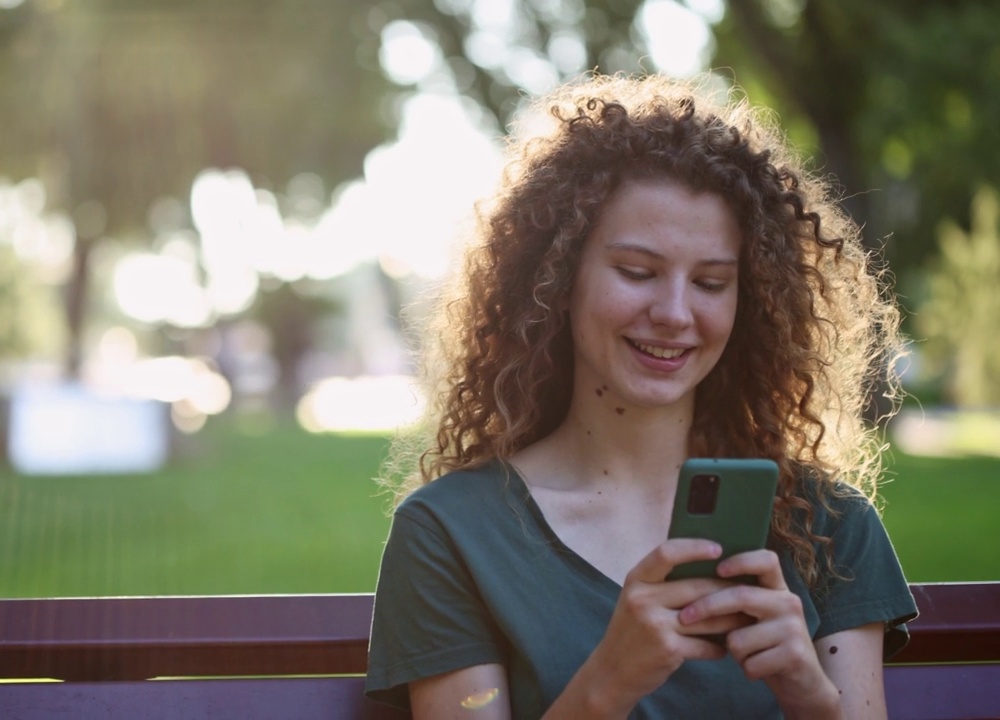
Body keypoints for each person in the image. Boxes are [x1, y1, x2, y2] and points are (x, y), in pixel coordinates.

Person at [365, 74, 917, 719]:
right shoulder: (452, 532)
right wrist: (610, 681)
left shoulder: (829, 525)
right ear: (560, 277)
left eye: (711, 283)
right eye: (637, 273)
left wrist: (807, 691)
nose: (676, 313)